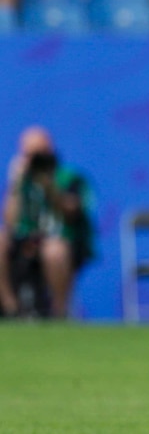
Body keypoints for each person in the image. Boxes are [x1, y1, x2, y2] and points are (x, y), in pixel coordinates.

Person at [0, 125, 95, 319]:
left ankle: (59, 313)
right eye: (29, 154)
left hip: (62, 240)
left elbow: (72, 212)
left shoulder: (68, 177)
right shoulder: (21, 181)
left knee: (54, 251)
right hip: (24, 240)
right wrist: (15, 184)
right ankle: (9, 306)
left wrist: (49, 185)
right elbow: (10, 221)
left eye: (39, 153)